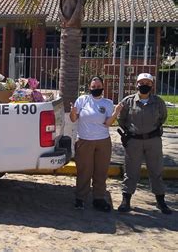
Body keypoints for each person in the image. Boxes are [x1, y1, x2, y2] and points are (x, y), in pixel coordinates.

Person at [117, 73, 172, 214]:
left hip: (153, 141)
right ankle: (126, 200)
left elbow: (162, 118)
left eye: (148, 83)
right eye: (142, 82)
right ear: (136, 84)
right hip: (134, 141)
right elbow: (121, 120)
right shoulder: (128, 101)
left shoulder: (158, 102)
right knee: (131, 171)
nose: (144, 85)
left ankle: (161, 201)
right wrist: (129, 133)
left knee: (156, 171)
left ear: (152, 85)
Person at [70, 76, 123, 211]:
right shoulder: (82, 100)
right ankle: (80, 198)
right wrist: (73, 111)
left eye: (98, 86)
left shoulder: (108, 103)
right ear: (89, 88)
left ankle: (98, 198)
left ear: (103, 87)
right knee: (84, 171)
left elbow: (107, 123)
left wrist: (116, 113)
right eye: (93, 87)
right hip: (84, 141)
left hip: (103, 141)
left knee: (101, 171)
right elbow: (73, 118)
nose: (96, 89)